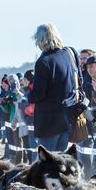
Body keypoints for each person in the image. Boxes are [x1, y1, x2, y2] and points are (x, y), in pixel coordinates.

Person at [27, 23, 80, 152]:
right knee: (60, 160)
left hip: (49, 121)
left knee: (47, 161)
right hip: (66, 117)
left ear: (41, 40)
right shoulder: (67, 56)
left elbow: (38, 94)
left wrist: (29, 95)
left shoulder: (44, 61)